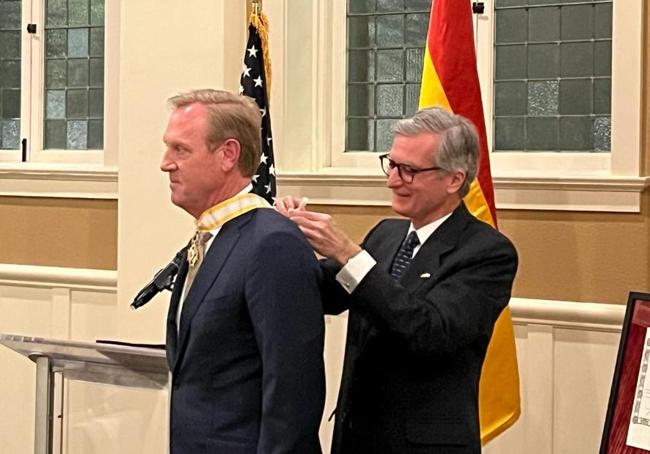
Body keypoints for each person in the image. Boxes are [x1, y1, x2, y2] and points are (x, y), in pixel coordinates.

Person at [276, 107, 518, 454]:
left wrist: (347, 252)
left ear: (453, 179)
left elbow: (429, 332)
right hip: (356, 438)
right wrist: (285, 236)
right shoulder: (387, 235)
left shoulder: (487, 252)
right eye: (391, 164)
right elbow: (325, 294)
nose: (392, 180)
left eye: (409, 171)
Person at [160, 88, 325, 454]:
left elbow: (292, 391)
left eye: (180, 150)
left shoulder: (270, 244)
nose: (165, 163)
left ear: (228, 155)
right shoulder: (212, 236)